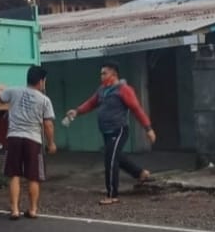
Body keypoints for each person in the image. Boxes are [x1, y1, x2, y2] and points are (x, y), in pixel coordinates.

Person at [65, 61, 156, 205]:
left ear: (113, 74)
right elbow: (91, 103)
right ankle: (140, 174)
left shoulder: (124, 89)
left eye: (104, 73)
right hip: (106, 131)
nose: (101, 76)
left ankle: (112, 195)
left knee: (111, 160)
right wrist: (77, 111)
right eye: (101, 73)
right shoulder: (102, 90)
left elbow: (136, 109)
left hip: (118, 129)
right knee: (116, 156)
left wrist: (148, 129)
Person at [0, 65, 57, 220]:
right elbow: (48, 124)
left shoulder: (13, 91)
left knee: (14, 174)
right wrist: (51, 143)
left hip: (14, 137)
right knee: (34, 176)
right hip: (33, 140)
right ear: (41, 81)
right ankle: (32, 209)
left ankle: (14, 210)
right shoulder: (45, 100)